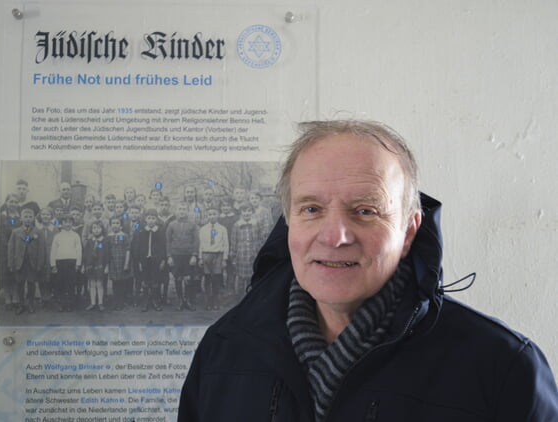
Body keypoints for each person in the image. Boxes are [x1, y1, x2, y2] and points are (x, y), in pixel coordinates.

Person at [178, 120, 558, 421]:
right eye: (311, 209)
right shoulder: (224, 349)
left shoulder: (502, 368)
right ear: (289, 222)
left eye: (365, 211)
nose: (335, 236)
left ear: (409, 230)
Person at [7, 207, 45, 315]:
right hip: (19, 263)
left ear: (33, 218)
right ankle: (21, 304)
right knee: (19, 283)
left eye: (30, 217)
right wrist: (11, 264)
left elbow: (41, 249)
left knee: (31, 283)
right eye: (25, 217)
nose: (28, 219)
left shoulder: (38, 232)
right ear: (21, 218)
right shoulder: (16, 232)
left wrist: (40, 264)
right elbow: (11, 249)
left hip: (32, 263)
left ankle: (31, 304)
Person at [50, 214, 82, 312]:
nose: (68, 224)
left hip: (71, 262)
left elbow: (79, 250)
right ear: (62, 223)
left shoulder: (75, 235)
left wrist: (78, 263)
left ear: (72, 223)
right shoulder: (57, 236)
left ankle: (70, 304)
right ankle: (61, 304)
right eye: (65, 222)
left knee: (71, 284)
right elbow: (53, 251)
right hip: (60, 262)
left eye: (70, 222)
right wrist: (53, 264)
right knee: (60, 284)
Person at [198, 208, 229, 310]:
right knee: (207, 278)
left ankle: (216, 300)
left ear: (218, 215)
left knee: (216, 278)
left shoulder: (222, 229)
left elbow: (226, 244)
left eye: (214, 214)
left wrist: (224, 258)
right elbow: (201, 244)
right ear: (207, 216)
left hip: (218, 255)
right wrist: (200, 258)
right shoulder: (203, 229)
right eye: (210, 214)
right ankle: (208, 301)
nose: (212, 216)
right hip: (206, 254)